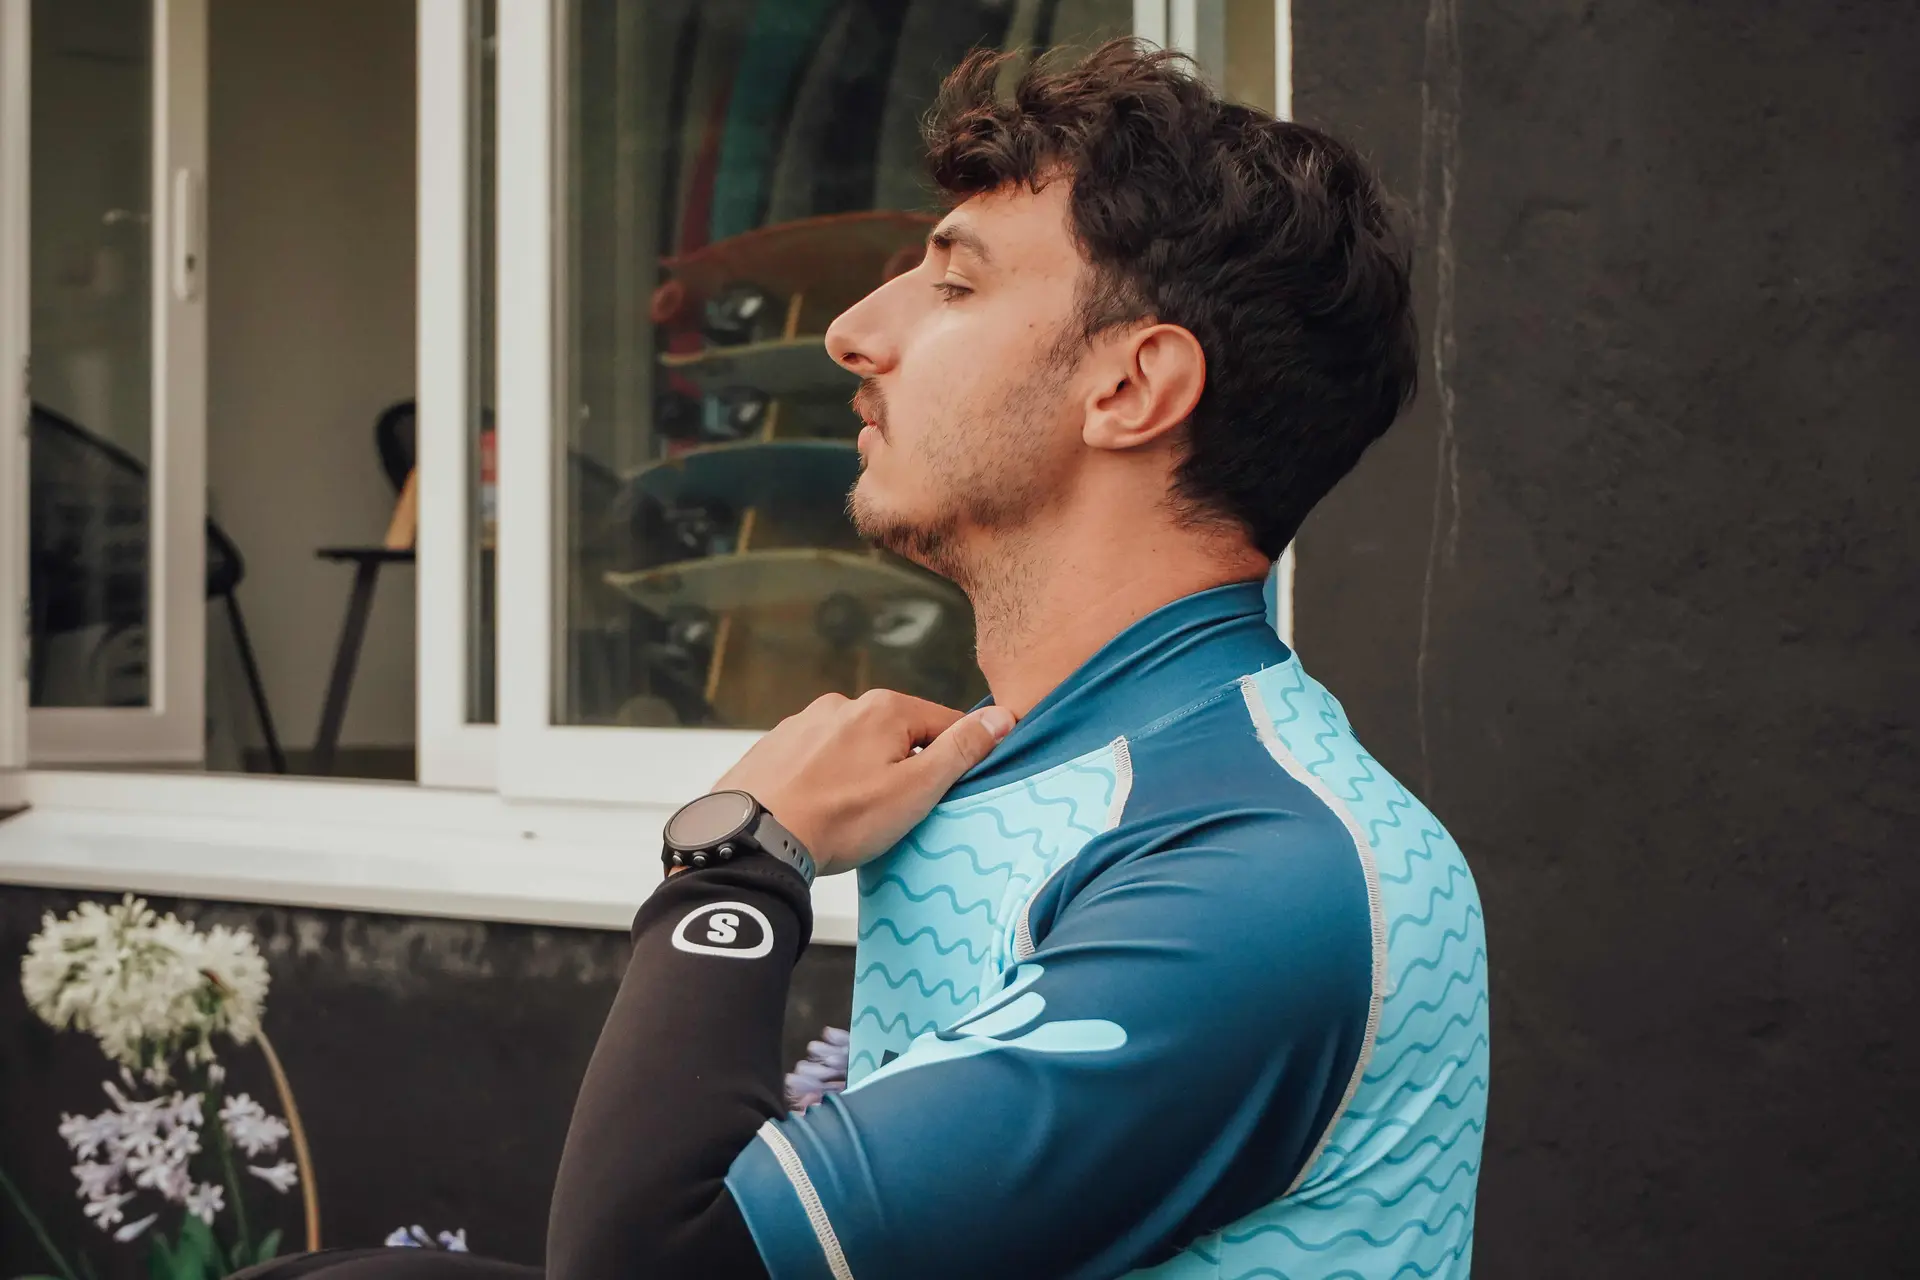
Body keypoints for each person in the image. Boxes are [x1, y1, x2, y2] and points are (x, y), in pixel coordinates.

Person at [243, 37, 1487, 1280]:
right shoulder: (1071, 764)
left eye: (953, 286)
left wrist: (736, 858)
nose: (850, 331)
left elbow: (650, 1265)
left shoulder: (1262, 874)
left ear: (1130, 385)